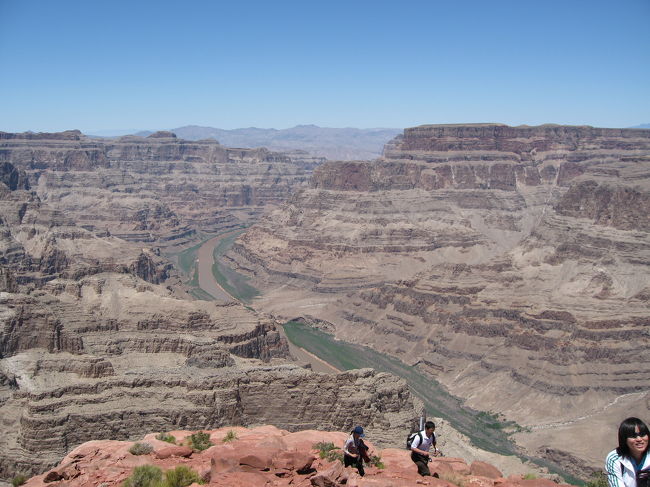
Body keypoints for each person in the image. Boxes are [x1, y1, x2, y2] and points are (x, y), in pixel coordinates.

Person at [605, 417, 650, 487]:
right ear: (624, 439)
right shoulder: (615, 458)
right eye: (633, 436)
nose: (639, 439)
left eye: (642, 434)